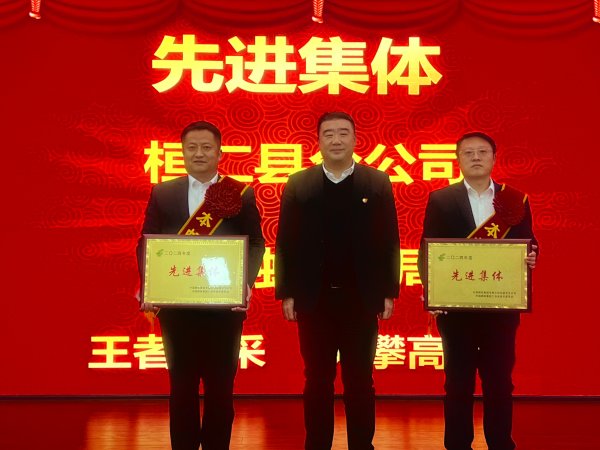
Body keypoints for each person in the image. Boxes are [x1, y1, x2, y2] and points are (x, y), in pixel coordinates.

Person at [136, 121, 265, 450]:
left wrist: (245, 283)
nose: (199, 153)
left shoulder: (239, 192)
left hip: (224, 305)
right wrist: (149, 284)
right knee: (181, 387)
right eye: (191, 147)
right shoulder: (164, 192)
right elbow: (147, 242)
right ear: (182, 152)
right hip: (177, 307)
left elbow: (255, 243)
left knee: (221, 388)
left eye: (207, 147)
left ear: (219, 153)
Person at [275, 111, 400, 450]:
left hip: (361, 298)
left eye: (343, 133)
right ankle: (317, 444)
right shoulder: (299, 183)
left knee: (360, 379)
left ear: (355, 139)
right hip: (314, 299)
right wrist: (287, 291)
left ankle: (362, 445)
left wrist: (388, 290)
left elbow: (389, 239)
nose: (336, 140)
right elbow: (286, 241)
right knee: (317, 379)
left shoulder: (376, 182)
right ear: (318, 141)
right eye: (328, 134)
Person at [418, 131, 538, 450]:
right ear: (458, 159)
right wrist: (432, 290)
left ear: (494, 158)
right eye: (468, 152)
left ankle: (501, 442)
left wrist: (531, 254)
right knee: (458, 383)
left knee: (499, 382)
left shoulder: (515, 199)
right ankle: (457, 443)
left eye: (482, 152)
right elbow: (428, 248)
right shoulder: (442, 199)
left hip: (501, 306)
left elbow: (529, 241)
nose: (475, 157)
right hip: (456, 308)